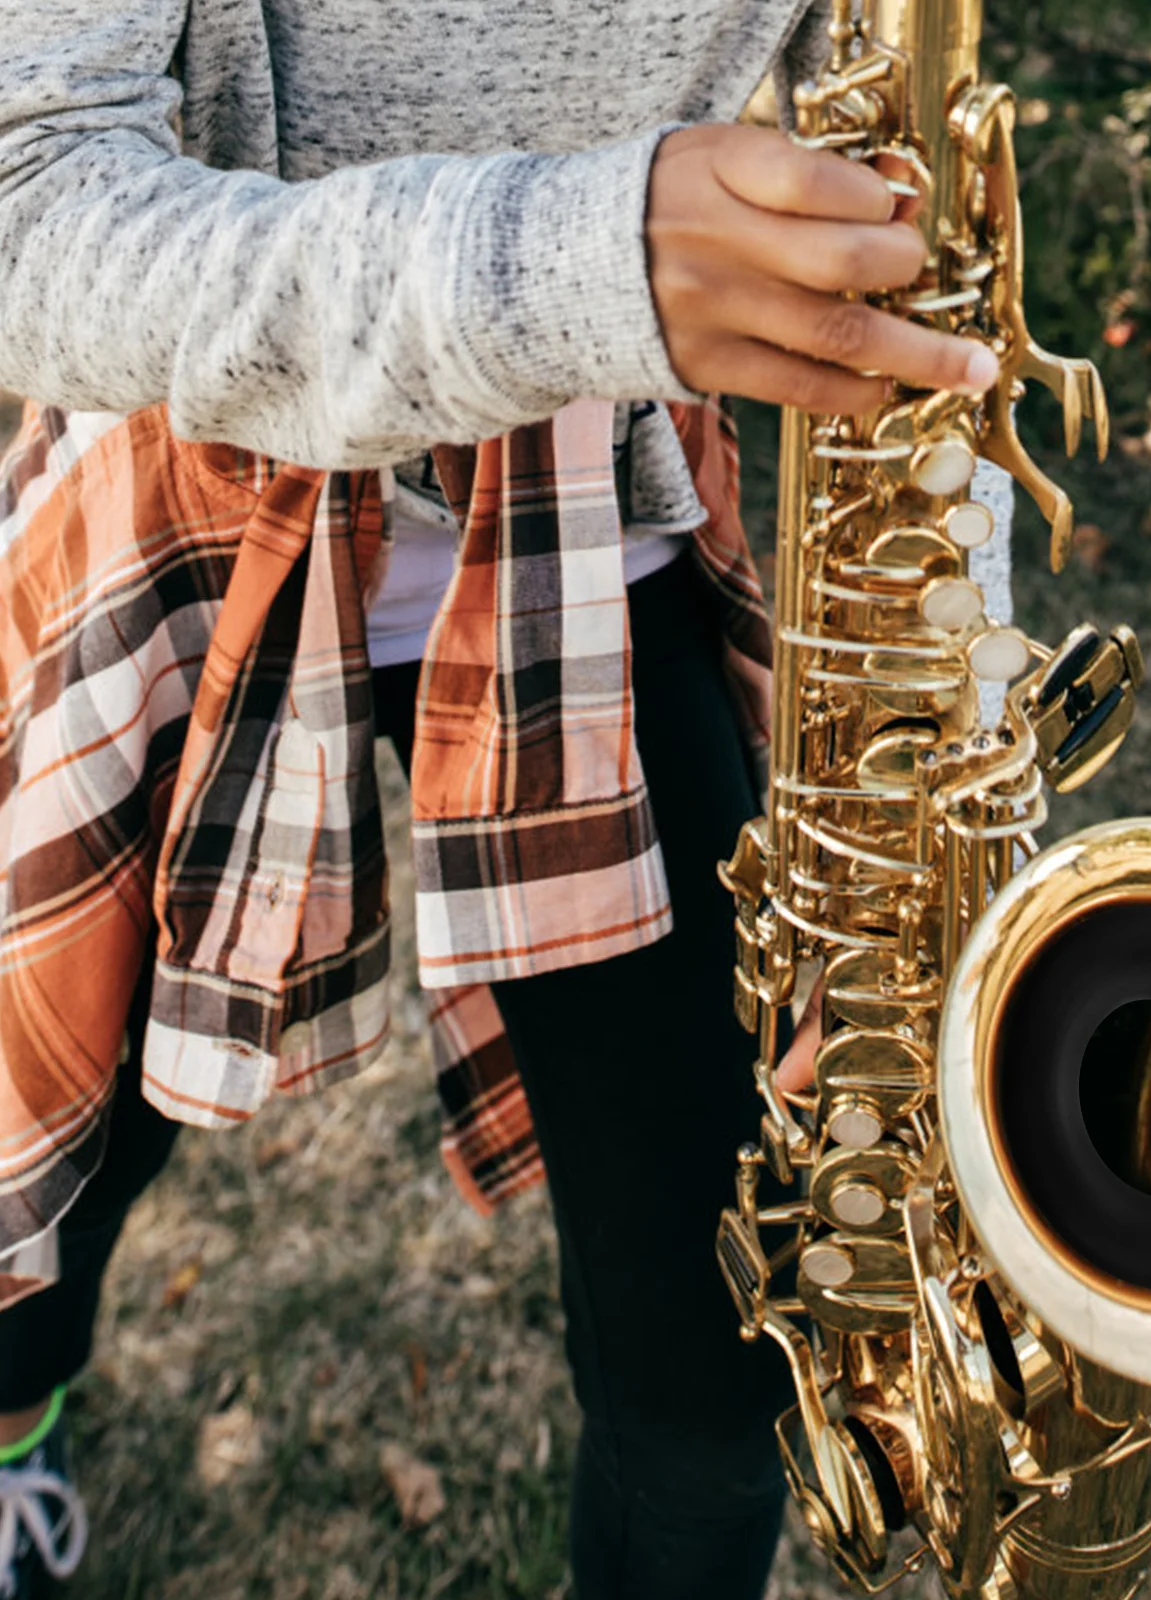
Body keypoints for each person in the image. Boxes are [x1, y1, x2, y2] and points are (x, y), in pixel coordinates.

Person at [0, 2, 1007, 1595]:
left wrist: (946, 740)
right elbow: (26, 206)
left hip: (594, 535)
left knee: (714, 1371)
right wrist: (577, 262)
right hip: (197, 481)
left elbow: (923, 233)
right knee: (62, 1128)